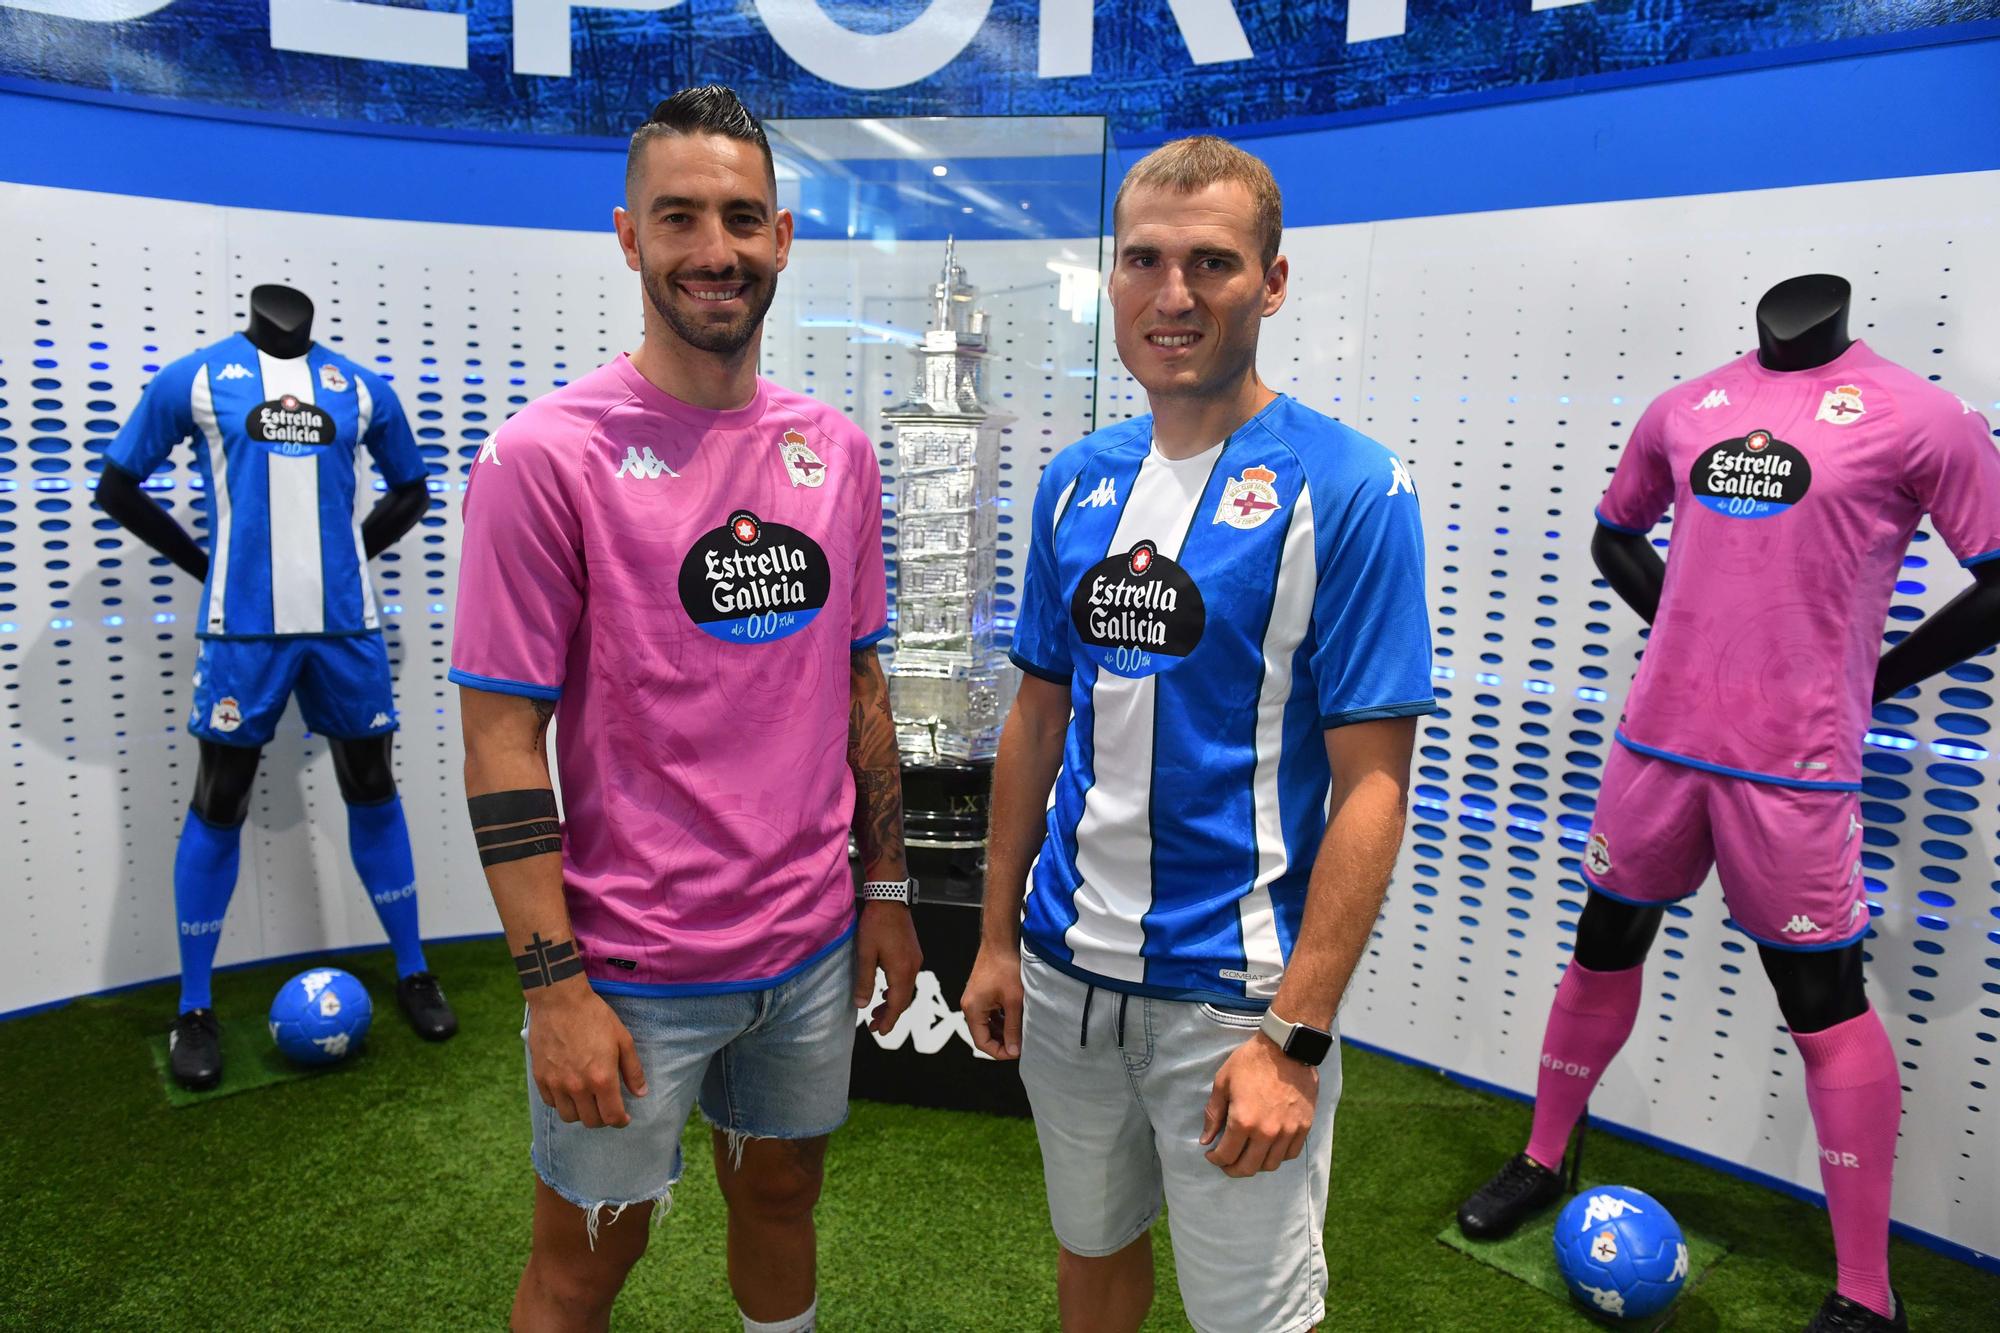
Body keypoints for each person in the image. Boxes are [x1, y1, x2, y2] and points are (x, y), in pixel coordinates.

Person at [450, 86, 920, 1333]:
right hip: (629, 968)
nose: (715, 250)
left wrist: (881, 893)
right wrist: (553, 989)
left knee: (780, 1202)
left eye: (740, 218)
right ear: (627, 236)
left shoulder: (838, 451)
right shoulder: (542, 457)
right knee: (585, 1263)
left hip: (810, 948)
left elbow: (857, 687)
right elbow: (501, 741)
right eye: (680, 218)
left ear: (782, 235)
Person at [1456, 275, 2000, 1333]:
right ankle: (1538, 1157)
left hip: (1793, 767)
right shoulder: (1686, 407)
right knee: (1602, 942)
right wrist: (1684, 629)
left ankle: (1864, 1293)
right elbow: (1615, 533)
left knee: (1820, 1001)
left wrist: (1869, 677)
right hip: (1655, 745)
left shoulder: (1915, 415)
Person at [960, 136, 1436, 1333]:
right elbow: (1035, 717)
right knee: (1092, 1255)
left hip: (1234, 1004)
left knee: (1250, 1319)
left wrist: (1294, 1036)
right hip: (1066, 979)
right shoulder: (1075, 481)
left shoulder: (1349, 485)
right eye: (1145, 261)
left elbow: (1373, 786)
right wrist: (995, 940)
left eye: (1212, 263)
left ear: (1271, 282)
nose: (1172, 296)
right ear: (1113, 276)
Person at [96, 281, 456, 1092]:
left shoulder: (361, 387)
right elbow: (117, 486)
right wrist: (206, 563)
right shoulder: (195, 378)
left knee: (372, 786)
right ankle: (194, 1005)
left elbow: (414, 489)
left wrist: (347, 554)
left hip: (345, 629)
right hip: (242, 634)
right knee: (219, 800)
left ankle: (413, 968)